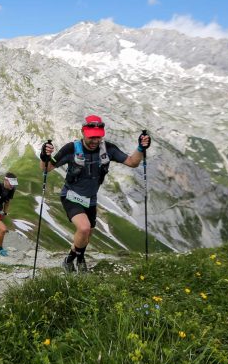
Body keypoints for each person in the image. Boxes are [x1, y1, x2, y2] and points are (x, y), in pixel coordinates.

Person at [41, 115, 150, 273]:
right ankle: (72, 261)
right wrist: (44, 156)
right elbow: (46, 169)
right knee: (84, 228)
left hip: (91, 199)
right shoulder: (71, 149)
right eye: (91, 137)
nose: (94, 141)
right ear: (83, 132)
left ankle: (77, 258)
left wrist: (140, 148)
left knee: (88, 234)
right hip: (71, 196)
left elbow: (132, 162)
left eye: (98, 137)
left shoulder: (108, 149)